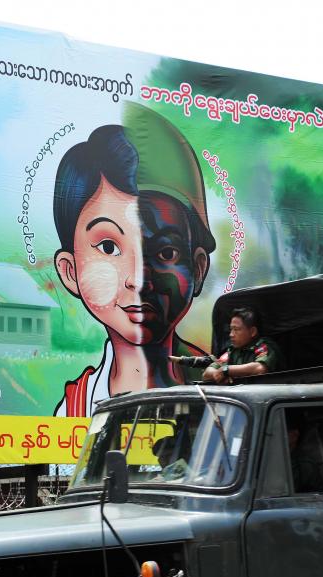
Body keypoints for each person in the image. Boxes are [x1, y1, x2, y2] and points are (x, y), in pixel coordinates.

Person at [52, 104, 216, 417]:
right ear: (70, 270)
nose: (139, 280)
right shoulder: (75, 408)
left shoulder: (219, 392)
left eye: (166, 252)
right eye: (109, 248)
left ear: (198, 267)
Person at [202, 307, 280, 384]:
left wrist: (228, 370)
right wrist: (220, 375)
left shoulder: (263, 346)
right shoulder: (232, 351)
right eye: (231, 329)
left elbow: (260, 368)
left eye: (236, 329)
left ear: (253, 331)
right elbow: (206, 374)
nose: (231, 334)